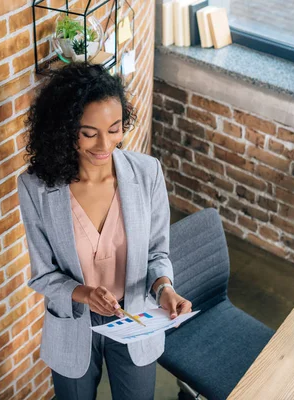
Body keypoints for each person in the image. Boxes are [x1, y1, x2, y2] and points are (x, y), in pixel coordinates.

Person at [18, 63, 192, 400]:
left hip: (136, 317)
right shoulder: (35, 188)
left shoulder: (147, 173)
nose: (105, 144)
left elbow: (157, 253)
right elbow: (43, 275)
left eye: (114, 129)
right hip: (73, 323)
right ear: (65, 129)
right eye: (89, 132)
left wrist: (165, 289)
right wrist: (84, 293)